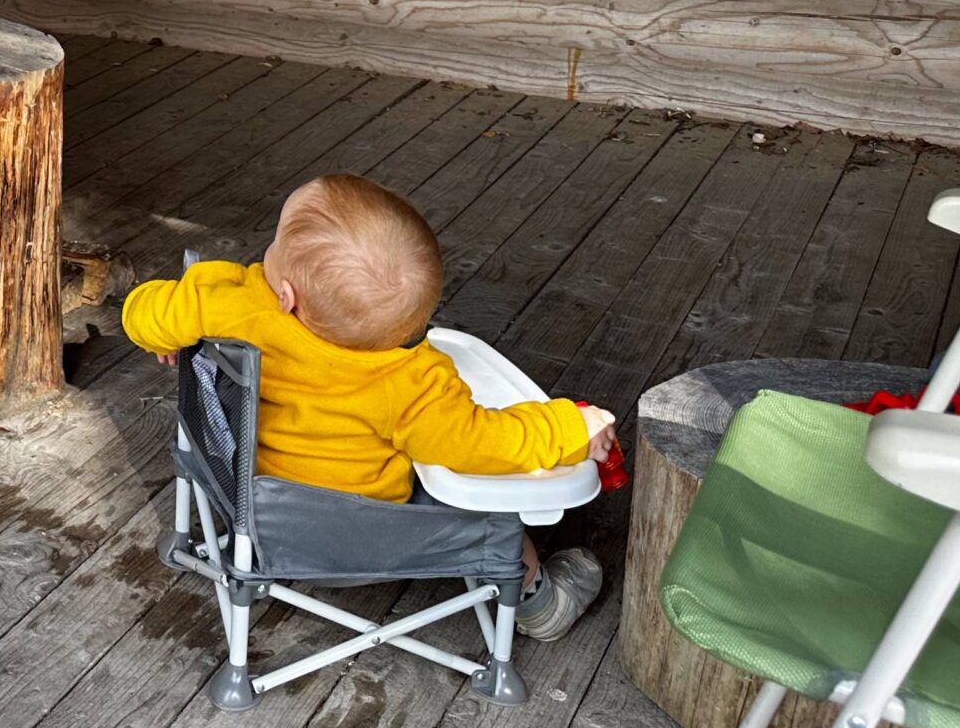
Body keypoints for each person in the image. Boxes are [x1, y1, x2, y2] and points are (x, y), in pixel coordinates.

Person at [120, 174, 618, 639]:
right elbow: (484, 441)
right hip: (365, 538)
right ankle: (538, 602)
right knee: (494, 499)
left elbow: (143, 313)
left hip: (256, 511)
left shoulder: (233, 304)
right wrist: (569, 427)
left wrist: (167, 336)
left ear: (287, 296)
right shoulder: (412, 382)